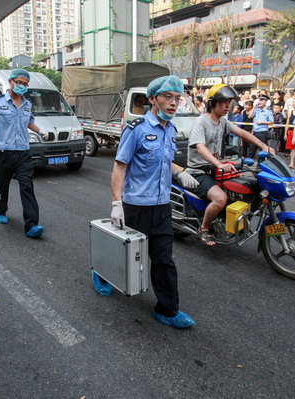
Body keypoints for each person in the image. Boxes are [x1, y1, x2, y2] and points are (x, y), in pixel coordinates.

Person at [95, 75, 199, 329]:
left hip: (162, 206)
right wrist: (117, 203)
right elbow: (120, 166)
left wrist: (179, 172)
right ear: (152, 99)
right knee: (125, 251)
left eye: (177, 98)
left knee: (163, 259)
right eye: (167, 97)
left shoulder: (171, 130)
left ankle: (167, 309)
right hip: (135, 205)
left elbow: (164, 161)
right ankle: (101, 273)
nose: (174, 103)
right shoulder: (137, 129)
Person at [185, 84, 272, 247]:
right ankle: (203, 228)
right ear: (212, 103)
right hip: (198, 171)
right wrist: (219, 163)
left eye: (229, 102)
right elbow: (200, 148)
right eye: (223, 102)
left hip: (216, 169)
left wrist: (264, 146)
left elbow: (242, 133)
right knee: (220, 198)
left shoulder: (223, 121)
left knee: (245, 187)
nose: (227, 106)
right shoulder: (201, 123)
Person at [0, 68, 47, 238]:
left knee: (27, 186)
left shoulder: (27, 104)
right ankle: (1, 210)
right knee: (2, 185)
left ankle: (31, 225)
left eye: (25, 84)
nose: (22, 86)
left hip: (23, 153)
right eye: (19, 82)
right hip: (4, 152)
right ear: (10, 82)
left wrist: (40, 131)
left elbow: (29, 122)